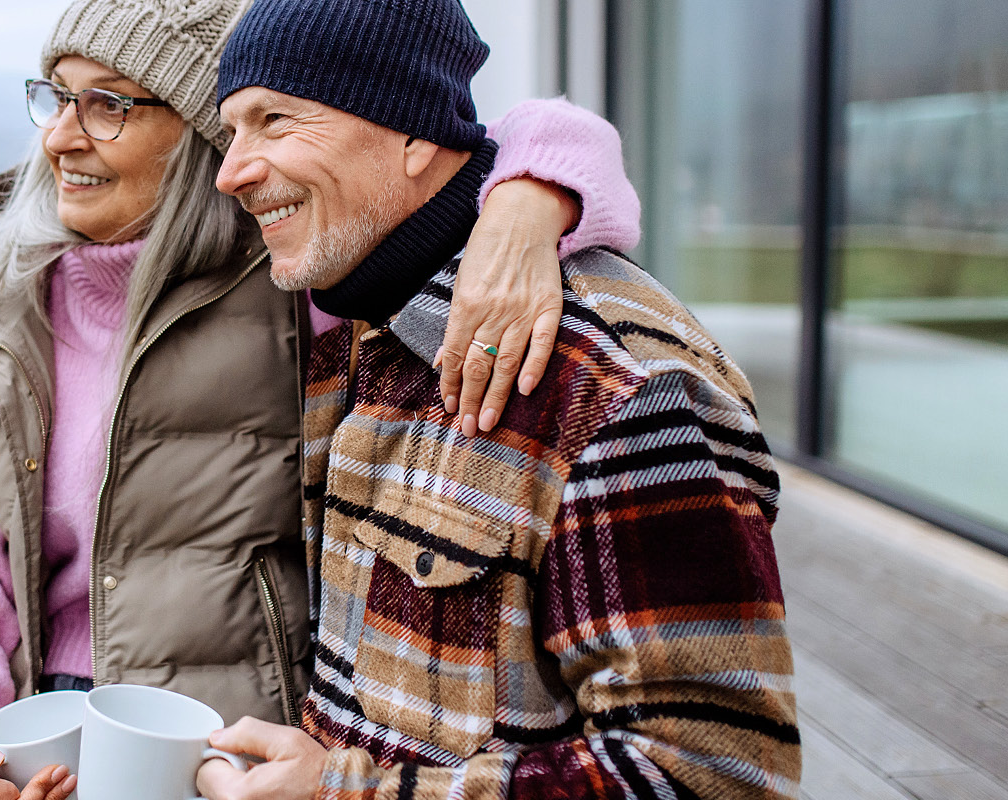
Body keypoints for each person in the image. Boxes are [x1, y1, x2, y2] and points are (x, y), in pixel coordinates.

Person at [0, 1, 643, 799]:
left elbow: (519, 132)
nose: (60, 137)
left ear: (204, 133)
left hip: (235, 753)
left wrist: (524, 208)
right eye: (57, 95)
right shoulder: (1, 300)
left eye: (109, 103)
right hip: (38, 742)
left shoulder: (294, 276)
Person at [193, 0, 800, 798]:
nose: (231, 171)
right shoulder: (354, 339)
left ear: (411, 132)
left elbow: (715, 775)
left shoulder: (615, 389)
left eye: (276, 119)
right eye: (233, 130)